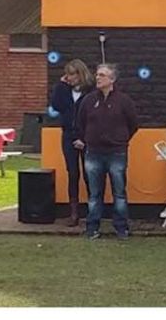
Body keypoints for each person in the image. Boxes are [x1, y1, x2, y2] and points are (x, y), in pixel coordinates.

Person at [74, 63, 139, 240]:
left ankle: (121, 228)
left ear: (112, 79)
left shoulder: (124, 101)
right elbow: (80, 122)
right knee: (94, 194)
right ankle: (92, 228)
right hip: (93, 152)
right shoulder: (88, 100)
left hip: (116, 152)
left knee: (119, 192)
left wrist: (121, 140)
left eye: (102, 75)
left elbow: (133, 124)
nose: (98, 77)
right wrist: (85, 139)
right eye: (97, 74)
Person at [49, 59, 94, 225]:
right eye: (67, 74)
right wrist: (60, 86)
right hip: (68, 135)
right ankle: (74, 212)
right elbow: (56, 105)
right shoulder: (65, 90)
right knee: (73, 173)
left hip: (87, 136)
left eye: (72, 74)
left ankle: (93, 211)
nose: (69, 78)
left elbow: (93, 116)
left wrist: (83, 137)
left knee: (90, 173)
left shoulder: (91, 91)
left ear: (80, 74)